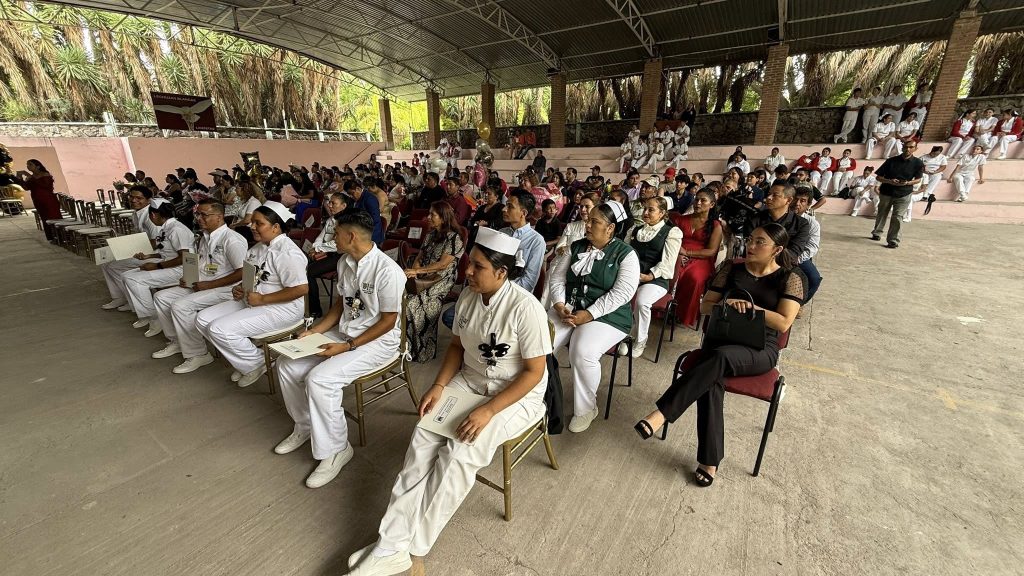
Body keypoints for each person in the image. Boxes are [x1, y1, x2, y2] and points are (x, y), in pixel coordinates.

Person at [344, 228, 549, 576]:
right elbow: (456, 347)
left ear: (501, 273)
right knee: (423, 438)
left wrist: (487, 411)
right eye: (470, 264)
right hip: (470, 381)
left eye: (478, 267)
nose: (467, 272)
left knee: (459, 453)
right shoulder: (468, 298)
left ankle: (415, 549)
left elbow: (533, 372)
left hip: (515, 395)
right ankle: (389, 544)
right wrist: (439, 386)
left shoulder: (525, 308)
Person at [634, 223, 803, 487]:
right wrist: (725, 303)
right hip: (721, 339)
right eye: (751, 239)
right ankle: (709, 460)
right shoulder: (732, 268)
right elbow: (705, 306)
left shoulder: (790, 277)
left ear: (777, 250)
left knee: (716, 360)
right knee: (712, 378)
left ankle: (662, 413)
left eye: (760, 242)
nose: (751, 245)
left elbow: (783, 322)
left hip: (759, 350)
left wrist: (752, 308)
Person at [275, 211, 406, 489]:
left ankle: (336, 449)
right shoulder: (346, 262)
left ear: (351, 236)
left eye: (336, 233)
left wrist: (347, 346)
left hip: (377, 343)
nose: (332, 237)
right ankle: (306, 426)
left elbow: (388, 321)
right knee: (286, 365)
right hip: (346, 332)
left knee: (320, 380)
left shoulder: (387, 271)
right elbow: (340, 304)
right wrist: (316, 331)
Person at [548, 201, 639, 433]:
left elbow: (623, 293)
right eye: (587, 220)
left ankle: (587, 407)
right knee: (540, 341)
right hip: (569, 308)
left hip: (607, 315)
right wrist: (559, 304)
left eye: (594, 222)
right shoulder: (576, 246)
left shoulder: (626, 254)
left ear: (610, 228)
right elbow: (557, 278)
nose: (587, 225)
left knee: (582, 350)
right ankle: (538, 395)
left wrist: (590, 314)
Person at [197, 202, 308, 387]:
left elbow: (301, 289)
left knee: (219, 329)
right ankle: (247, 362)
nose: (252, 226)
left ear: (276, 227)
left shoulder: (287, 253)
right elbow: (251, 276)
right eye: (252, 222)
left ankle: (256, 363)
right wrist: (240, 287)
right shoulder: (257, 248)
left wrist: (263, 299)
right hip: (254, 300)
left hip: (282, 308)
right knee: (202, 319)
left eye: (258, 223)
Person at [150, 199, 248, 373]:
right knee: (160, 297)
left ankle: (198, 354)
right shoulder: (203, 237)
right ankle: (177, 341)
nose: (198, 218)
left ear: (219, 217)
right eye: (197, 214)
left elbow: (242, 272)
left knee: (181, 306)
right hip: (202, 283)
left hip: (225, 289)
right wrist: (188, 277)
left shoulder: (231, 240)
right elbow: (201, 263)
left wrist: (210, 284)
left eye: (204, 215)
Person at [121, 201, 195, 333]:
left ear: (154, 215)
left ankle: (154, 318)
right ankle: (147, 315)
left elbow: (185, 258)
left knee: (134, 280)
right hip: (170, 265)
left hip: (184, 270)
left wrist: (156, 266)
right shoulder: (167, 227)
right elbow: (168, 253)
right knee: (126, 276)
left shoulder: (177, 229)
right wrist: (148, 257)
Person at [405, 202, 465, 363]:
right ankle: (408, 348)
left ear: (444, 218)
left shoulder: (454, 238)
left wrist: (417, 271)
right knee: (405, 301)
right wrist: (415, 269)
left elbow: (443, 265)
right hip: (425, 275)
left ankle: (424, 351)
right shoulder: (431, 234)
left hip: (442, 278)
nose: (428, 217)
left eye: (433, 215)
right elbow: (420, 256)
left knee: (417, 305)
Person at [627, 197, 682, 359]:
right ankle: (621, 333)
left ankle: (641, 340)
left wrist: (649, 276)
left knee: (642, 302)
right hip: (633, 276)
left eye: (651, 210)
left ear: (662, 213)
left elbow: (668, 262)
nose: (645, 212)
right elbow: (625, 254)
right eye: (645, 209)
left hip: (656, 279)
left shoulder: (671, 232)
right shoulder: (635, 230)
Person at [99, 188, 163, 311]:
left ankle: (132, 299)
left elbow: (157, 242)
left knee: (114, 266)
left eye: (139, 198)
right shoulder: (136, 213)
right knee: (105, 261)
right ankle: (119, 297)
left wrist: (130, 248)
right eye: (132, 197)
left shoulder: (151, 216)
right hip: (142, 250)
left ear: (148, 200)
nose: (134, 200)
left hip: (154, 255)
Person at [871, 140, 924, 249]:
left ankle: (893, 240)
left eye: (911, 147)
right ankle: (877, 233)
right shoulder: (891, 161)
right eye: (906, 147)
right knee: (882, 213)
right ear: (902, 147)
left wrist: (907, 183)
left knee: (898, 217)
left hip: (904, 193)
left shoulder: (918, 163)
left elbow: (918, 180)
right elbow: (878, 177)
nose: (908, 149)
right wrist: (889, 181)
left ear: (915, 149)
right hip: (887, 192)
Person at [306, 192, 350, 318]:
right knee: (301, 264)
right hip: (325, 252)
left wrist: (319, 248)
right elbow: (321, 236)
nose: (329, 206)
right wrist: (315, 247)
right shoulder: (331, 219)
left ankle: (315, 309)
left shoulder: (346, 221)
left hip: (339, 255)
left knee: (309, 272)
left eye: (333, 203)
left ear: (343, 205)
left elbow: (337, 244)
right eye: (329, 203)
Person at [499, 190, 546, 294]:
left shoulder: (536, 241)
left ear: (523, 213)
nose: (504, 209)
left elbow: (529, 281)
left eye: (510, 206)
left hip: (516, 295)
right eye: (506, 205)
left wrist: (502, 292)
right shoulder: (501, 233)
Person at [13, 159, 59, 239]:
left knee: (53, 216)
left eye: (30, 164)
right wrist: (20, 178)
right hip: (37, 200)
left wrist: (29, 176)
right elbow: (26, 187)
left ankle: (60, 236)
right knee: (45, 218)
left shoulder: (45, 174)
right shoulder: (31, 177)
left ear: (37, 166)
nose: (28, 166)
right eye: (27, 164)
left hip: (48, 200)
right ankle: (51, 237)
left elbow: (45, 186)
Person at [792, 189, 822, 302]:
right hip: (778, 254)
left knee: (814, 279)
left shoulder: (812, 223)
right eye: (795, 199)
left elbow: (812, 247)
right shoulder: (780, 216)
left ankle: (799, 304)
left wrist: (797, 259)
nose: (797, 203)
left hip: (799, 257)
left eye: (802, 201)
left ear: (808, 204)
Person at [906, 146, 947, 221]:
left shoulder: (942, 157)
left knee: (937, 176)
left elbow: (943, 167)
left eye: (937, 154)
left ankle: (926, 194)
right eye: (934, 153)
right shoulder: (923, 157)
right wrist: (925, 171)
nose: (935, 155)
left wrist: (936, 171)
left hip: (935, 172)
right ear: (931, 151)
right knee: (923, 177)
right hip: (924, 172)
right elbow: (918, 166)